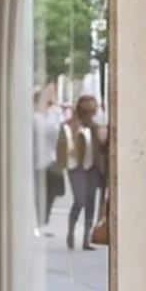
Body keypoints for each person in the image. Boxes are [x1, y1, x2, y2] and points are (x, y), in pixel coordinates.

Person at [58, 95, 108, 250]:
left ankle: (86, 238)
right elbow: (63, 148)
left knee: (90, 203)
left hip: (92, 168)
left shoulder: (94, 127)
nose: (91, 116)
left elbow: (101, 148)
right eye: (90, 112)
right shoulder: (70, 126)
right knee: (80, 200)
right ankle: (71, 232)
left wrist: (103, 137)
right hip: (77, 168)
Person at [31, 87, 66, 236]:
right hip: (36, 159)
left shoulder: (54, 115)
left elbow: (61, 132)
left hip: (52, 159)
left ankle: (43, 220)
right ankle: (38, 222)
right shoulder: (33, 117)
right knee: (39, 192)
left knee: (52, 192)